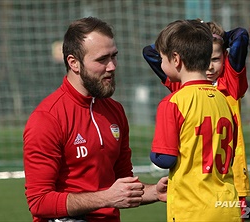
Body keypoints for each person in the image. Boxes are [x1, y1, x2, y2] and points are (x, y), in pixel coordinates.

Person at [23, 17, 168, 222]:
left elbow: (121, 182)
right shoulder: (47, 119)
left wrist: (155, 192)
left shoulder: (115, 111)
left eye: (114, 56)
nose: (112, 66)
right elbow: (39, 202)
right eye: (102, 60)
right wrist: (106, 198)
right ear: (74, 63)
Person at [143, 20, 250, 220]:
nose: (210, 66)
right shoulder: (223, 100)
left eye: (215, 58)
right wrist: (197, 35)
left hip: (193, 203)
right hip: (227, 199)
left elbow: (164, 158)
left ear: (175, 59)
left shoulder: (176, 100)